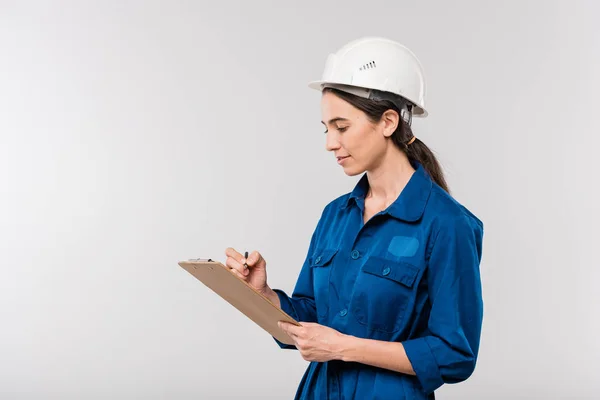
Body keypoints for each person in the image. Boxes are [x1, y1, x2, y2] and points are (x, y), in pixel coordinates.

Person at [225, 36, 484, 400]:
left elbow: (454, 355)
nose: (329, 142)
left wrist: (343, 347)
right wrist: (263, 295)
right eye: (325, 128)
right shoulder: (335, 215)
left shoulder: (447, 225)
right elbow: (311, 318)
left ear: (388, 122)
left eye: (341, 127)